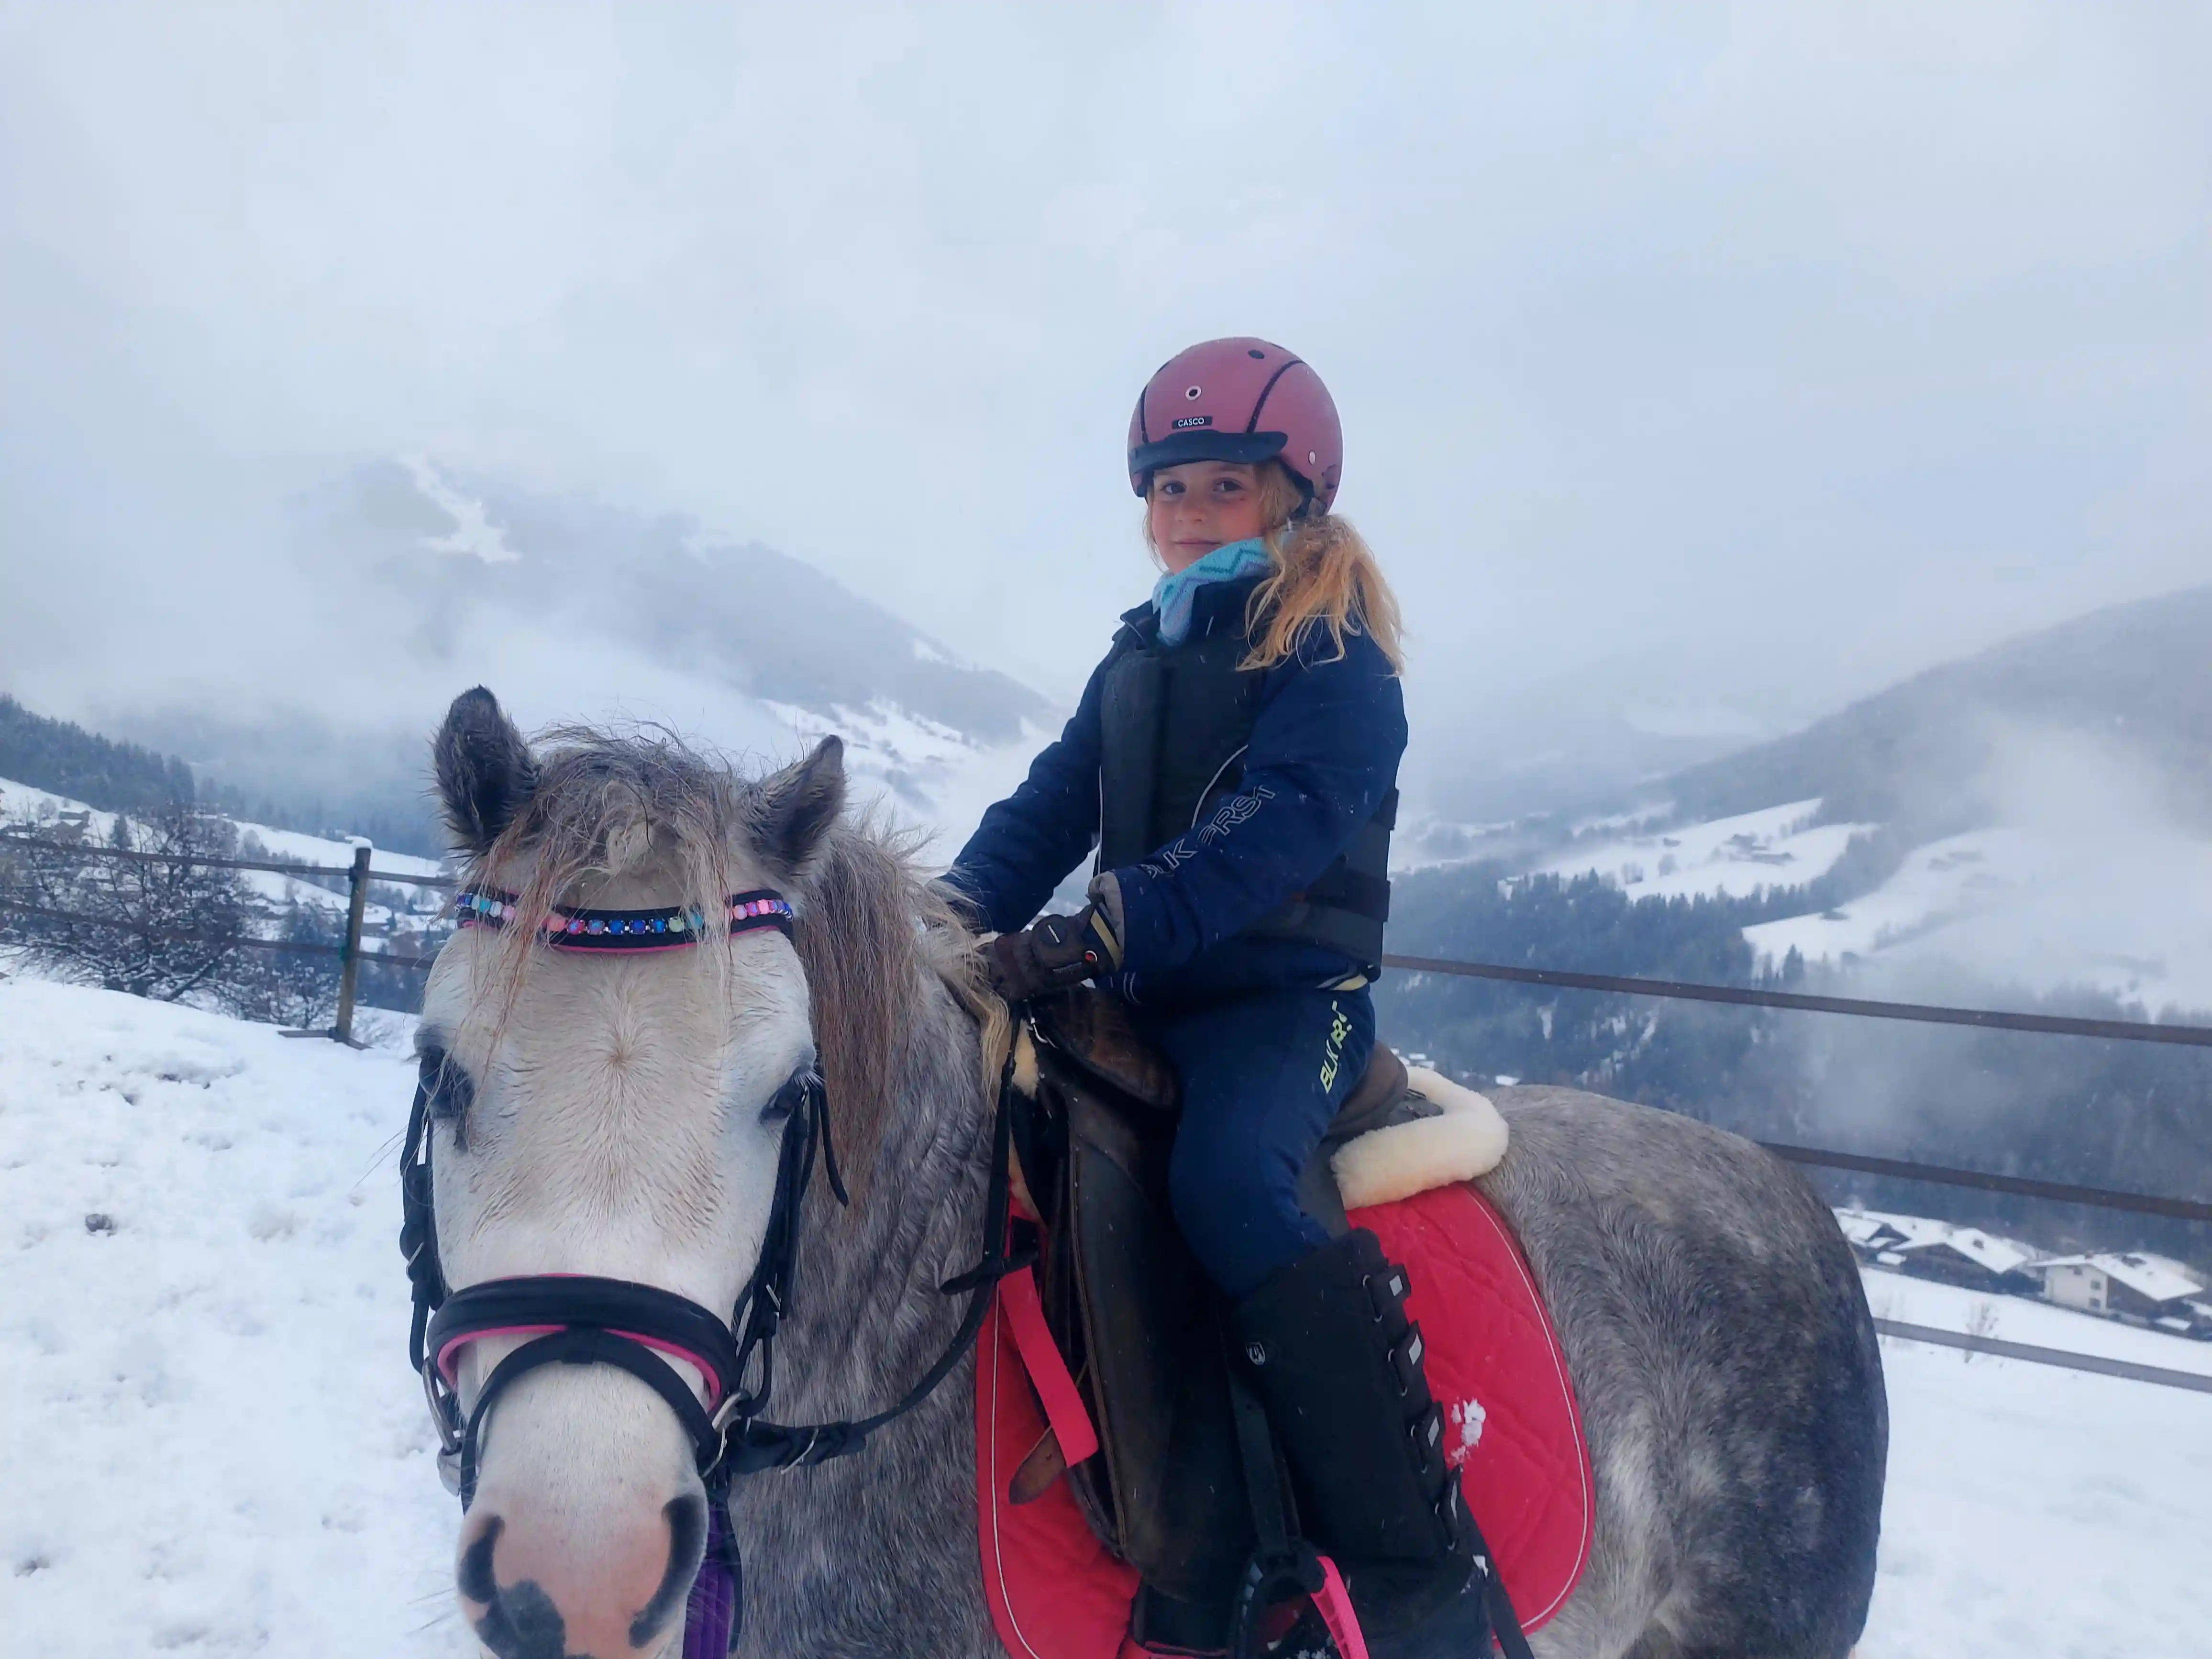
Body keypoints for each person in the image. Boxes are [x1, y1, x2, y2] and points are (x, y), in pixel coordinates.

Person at [942, 338, 1495, 1658]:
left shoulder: (1336, 656)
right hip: (1139, 999)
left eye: (1220, 488)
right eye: (1167, 489)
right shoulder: (1139, 657)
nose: (1185, 516)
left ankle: (1413, 1569)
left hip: (1286, 1007)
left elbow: (1280, 828)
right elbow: (1047, 807)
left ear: (1294, 494)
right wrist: (946, 922)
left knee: (1232, 1185)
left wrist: (1117, 920)